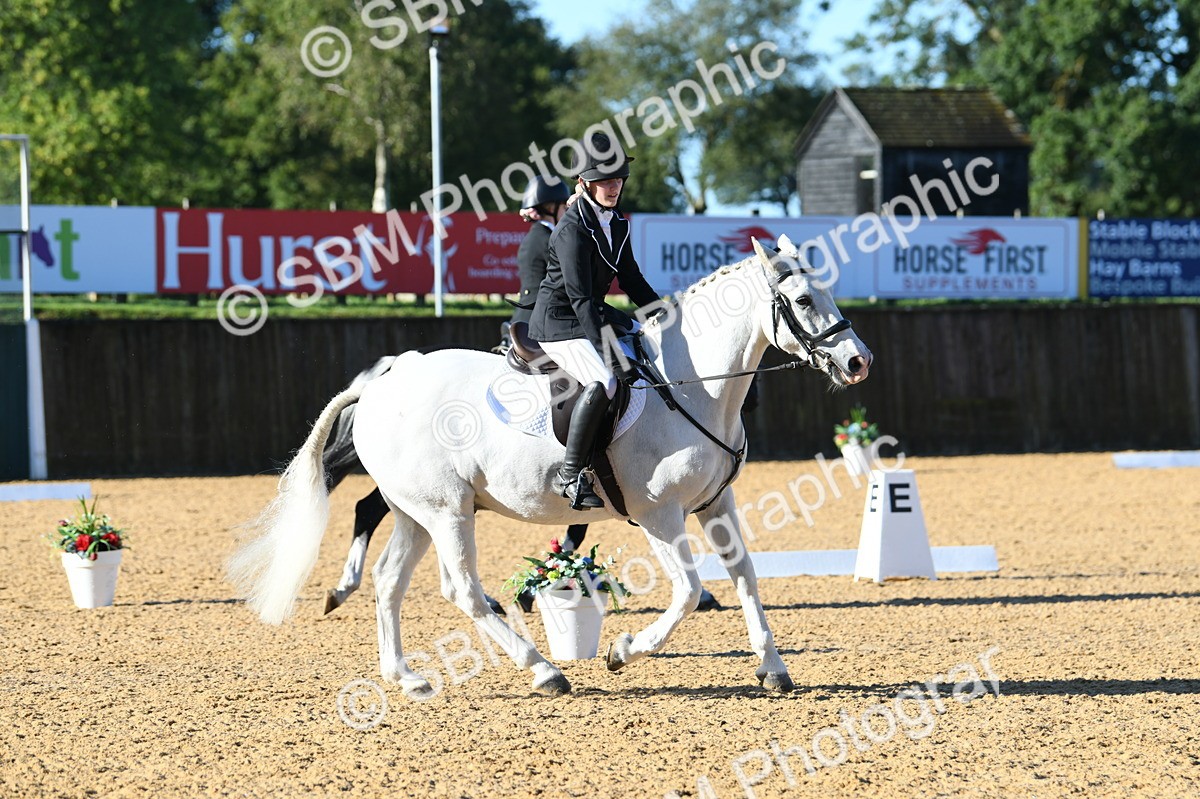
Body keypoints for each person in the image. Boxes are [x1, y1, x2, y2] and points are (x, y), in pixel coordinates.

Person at [529, 132, 662, 510]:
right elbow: (580, 299)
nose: (613, 186)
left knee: (646, 343)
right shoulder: (571, 230)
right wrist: (611, 355)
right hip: (559, 322)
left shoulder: (617, 222)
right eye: (605, 180)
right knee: (606, 379)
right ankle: (569, 474)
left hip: (590, 313)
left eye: (618, 178)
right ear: (584, 182)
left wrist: (665, 313)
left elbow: (631, 279)